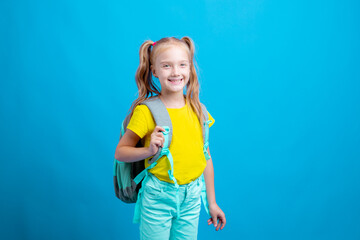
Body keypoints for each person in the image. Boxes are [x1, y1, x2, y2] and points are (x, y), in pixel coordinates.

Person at [114, 36, 226, 239]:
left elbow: (206, 158)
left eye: (182, 64)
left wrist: (212, 203)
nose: (176, 72)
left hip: (192, 197)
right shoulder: (146, 112)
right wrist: (148, 151)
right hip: (158, 196)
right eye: (166, 66)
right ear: (154, 70)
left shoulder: (199, 111)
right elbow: (120, 153)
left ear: (190, 68)